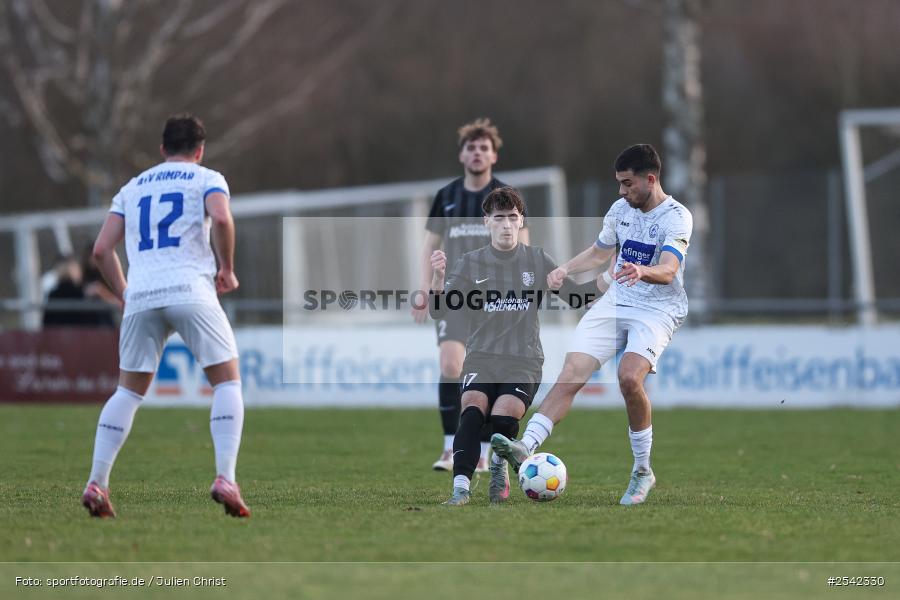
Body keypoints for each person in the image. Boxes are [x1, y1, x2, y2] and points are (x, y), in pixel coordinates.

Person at [492, 144, 692, 506]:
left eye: (628, 183)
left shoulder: (677, 217)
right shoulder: (620, 210)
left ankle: (643, 471)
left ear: (651, 179)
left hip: (657, 310)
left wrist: (642, 270)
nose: (621, 191)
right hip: (616, 301)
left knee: (629, 378)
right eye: (618, 183)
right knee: (572, 371)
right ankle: (526, 446)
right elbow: (601, 252)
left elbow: (669, 269)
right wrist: (565, 268)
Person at [81, 114, 250, 518]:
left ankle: (97, 482)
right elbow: (222, 218)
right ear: (200, 149)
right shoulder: (207, 177)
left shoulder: (131, 189)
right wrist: (226, 268)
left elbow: (101, 251)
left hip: (142, 296)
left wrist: (125, 293)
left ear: (161, 149)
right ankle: (225, 476)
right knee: (227, 382)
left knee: (127, 392)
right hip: (191, 289)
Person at [429, 187, 601, 505]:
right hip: (481, 356)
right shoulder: (469, 263)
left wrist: (609, 279)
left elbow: (577, 298)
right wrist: (438, 279)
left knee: (502, 417)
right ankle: (460, 489)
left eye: (512, 217)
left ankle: (498, 467)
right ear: (486, 222)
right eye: (499, 218)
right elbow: (438, 311)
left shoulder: (536, 260)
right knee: (472, 410)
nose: (506, 224)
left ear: (521, 221)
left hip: (524, 360)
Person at [413, 118, 529, 473]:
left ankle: (479, 449)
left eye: (484, 147)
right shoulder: (446, 197)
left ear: (494, 155)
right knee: (451, 366)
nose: (477, 153)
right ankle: (450, 448)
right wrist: (424, 289)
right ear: (462, 154)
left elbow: (524, 243)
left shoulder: (505, 196)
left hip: (495, 301)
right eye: (471, 147)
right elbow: (430, 245)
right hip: (455, 295)